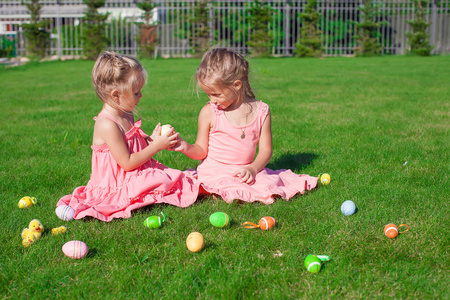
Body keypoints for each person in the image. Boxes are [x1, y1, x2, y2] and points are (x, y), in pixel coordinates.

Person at [56, 51, 200, 222]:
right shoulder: (107, 124)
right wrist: (156, 146)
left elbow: (133, 146)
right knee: (163, 180)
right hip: (117, 183)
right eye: (136, 92)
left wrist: (151, 140)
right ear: (116, 95)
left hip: (136, 172)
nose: (140, 96)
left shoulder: (126, 113)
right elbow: (127, 162)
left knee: (170, 177)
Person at [172, 47, 318, 204]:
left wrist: (253, 169)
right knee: (223, 186)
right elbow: (201, 151)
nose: (212, 99)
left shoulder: (261, 111)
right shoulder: (209, 112)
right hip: (216, 170)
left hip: (246, 169)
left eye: (216, 94)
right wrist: (184, 146)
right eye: (208, 94)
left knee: (267, 184)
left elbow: (266, 150)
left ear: (236, 85)